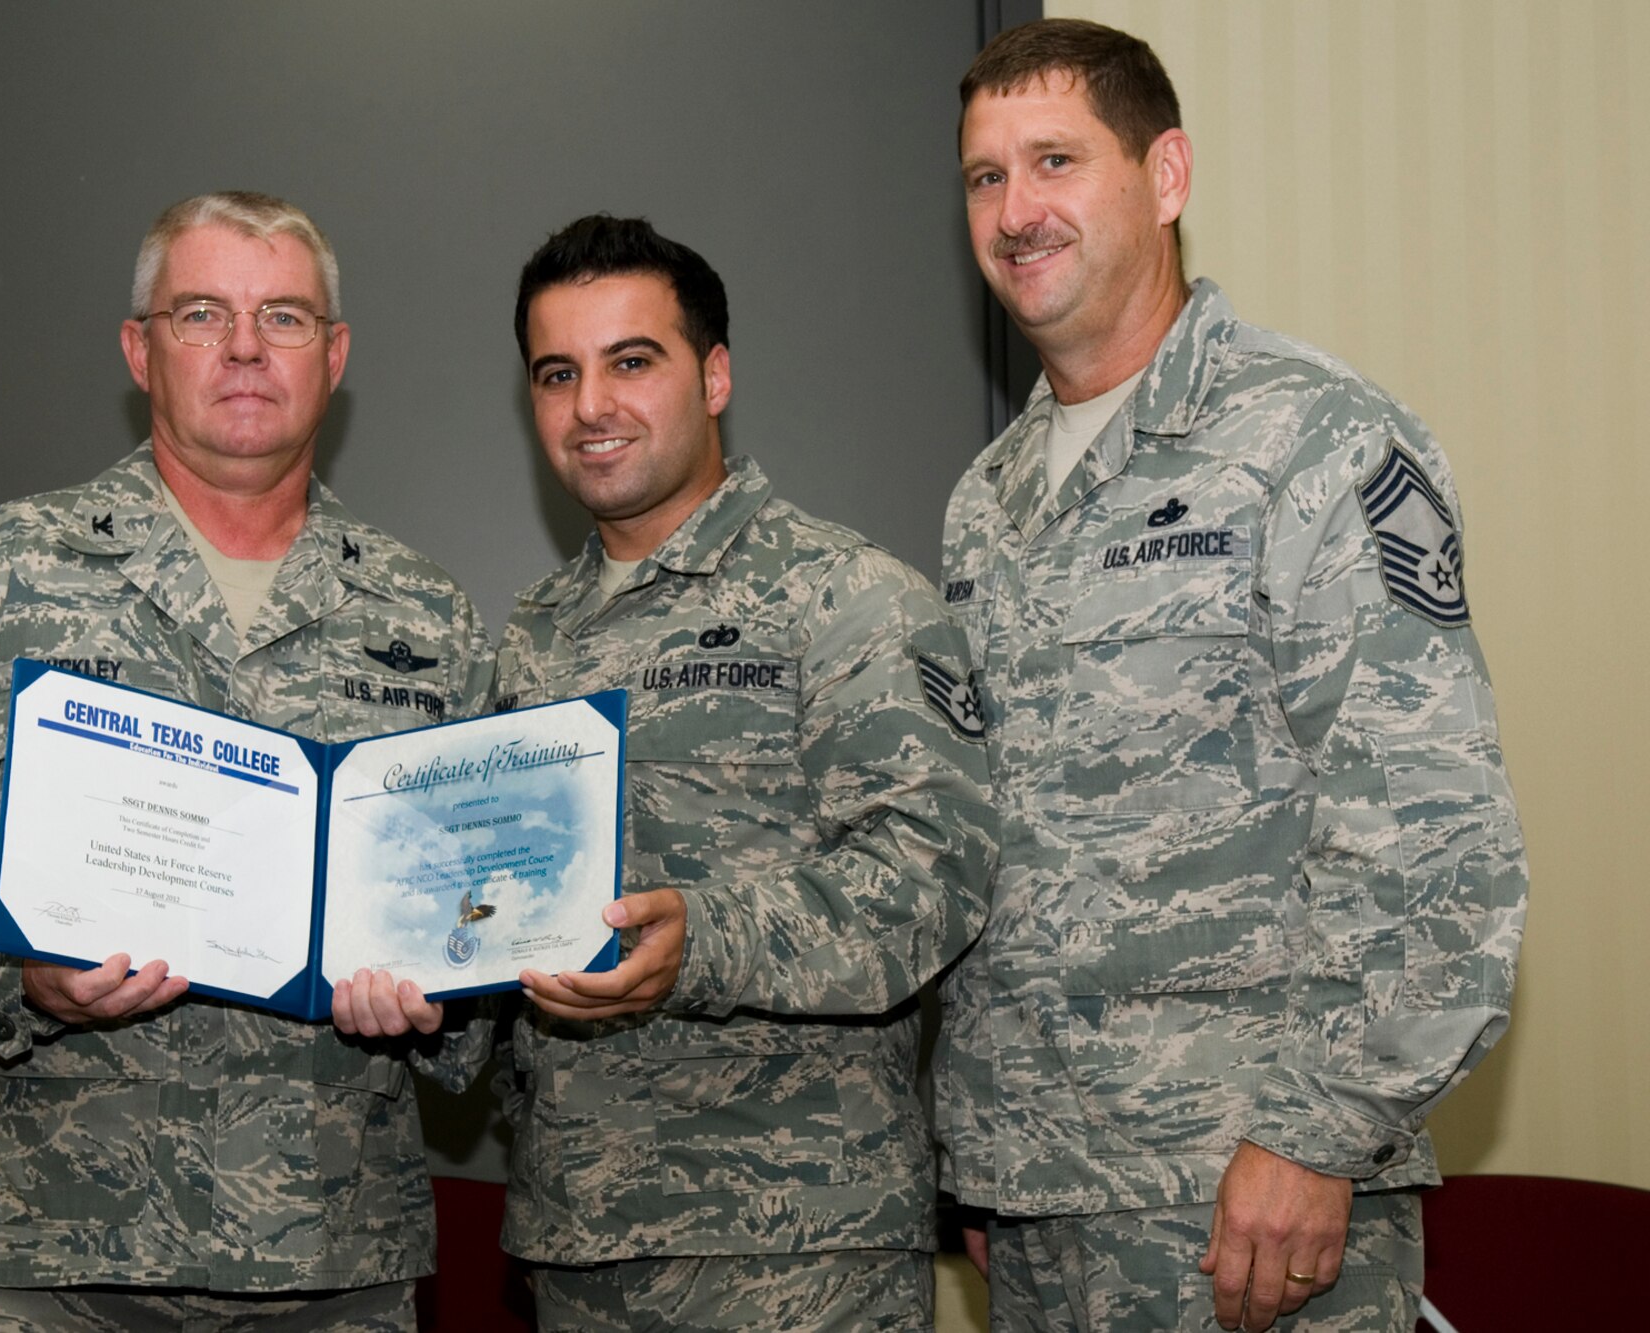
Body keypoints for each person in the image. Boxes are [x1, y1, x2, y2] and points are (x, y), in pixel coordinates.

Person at [0, 191, 494, 1331]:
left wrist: (438, 991)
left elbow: (475, 896)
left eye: (285, 317)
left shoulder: (428, 618)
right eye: (201, 312)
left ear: (335, 355)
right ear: (138, 348)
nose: (246, 346)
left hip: (322, 1260)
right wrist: (5, 960)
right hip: (29, 1251)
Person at [935, 20, 1528, 1333]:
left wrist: (1321, 1134)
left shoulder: (1315, 436)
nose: (1017, 210)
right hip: (1041, 1204)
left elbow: (1436, 843)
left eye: (1055, 161)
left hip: (1251, 1208)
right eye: (985, 177)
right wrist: (985, 1138)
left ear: (1167, 178)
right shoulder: (988, 502)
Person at [487, 214, 995, 1331]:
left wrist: (705, 938)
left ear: (712, 376)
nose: (590, 407)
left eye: (632, 361)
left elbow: (932, 877)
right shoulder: (528, 641)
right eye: (555, 373)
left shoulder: (846, 596)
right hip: (579, 1242)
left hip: (798, 1248)